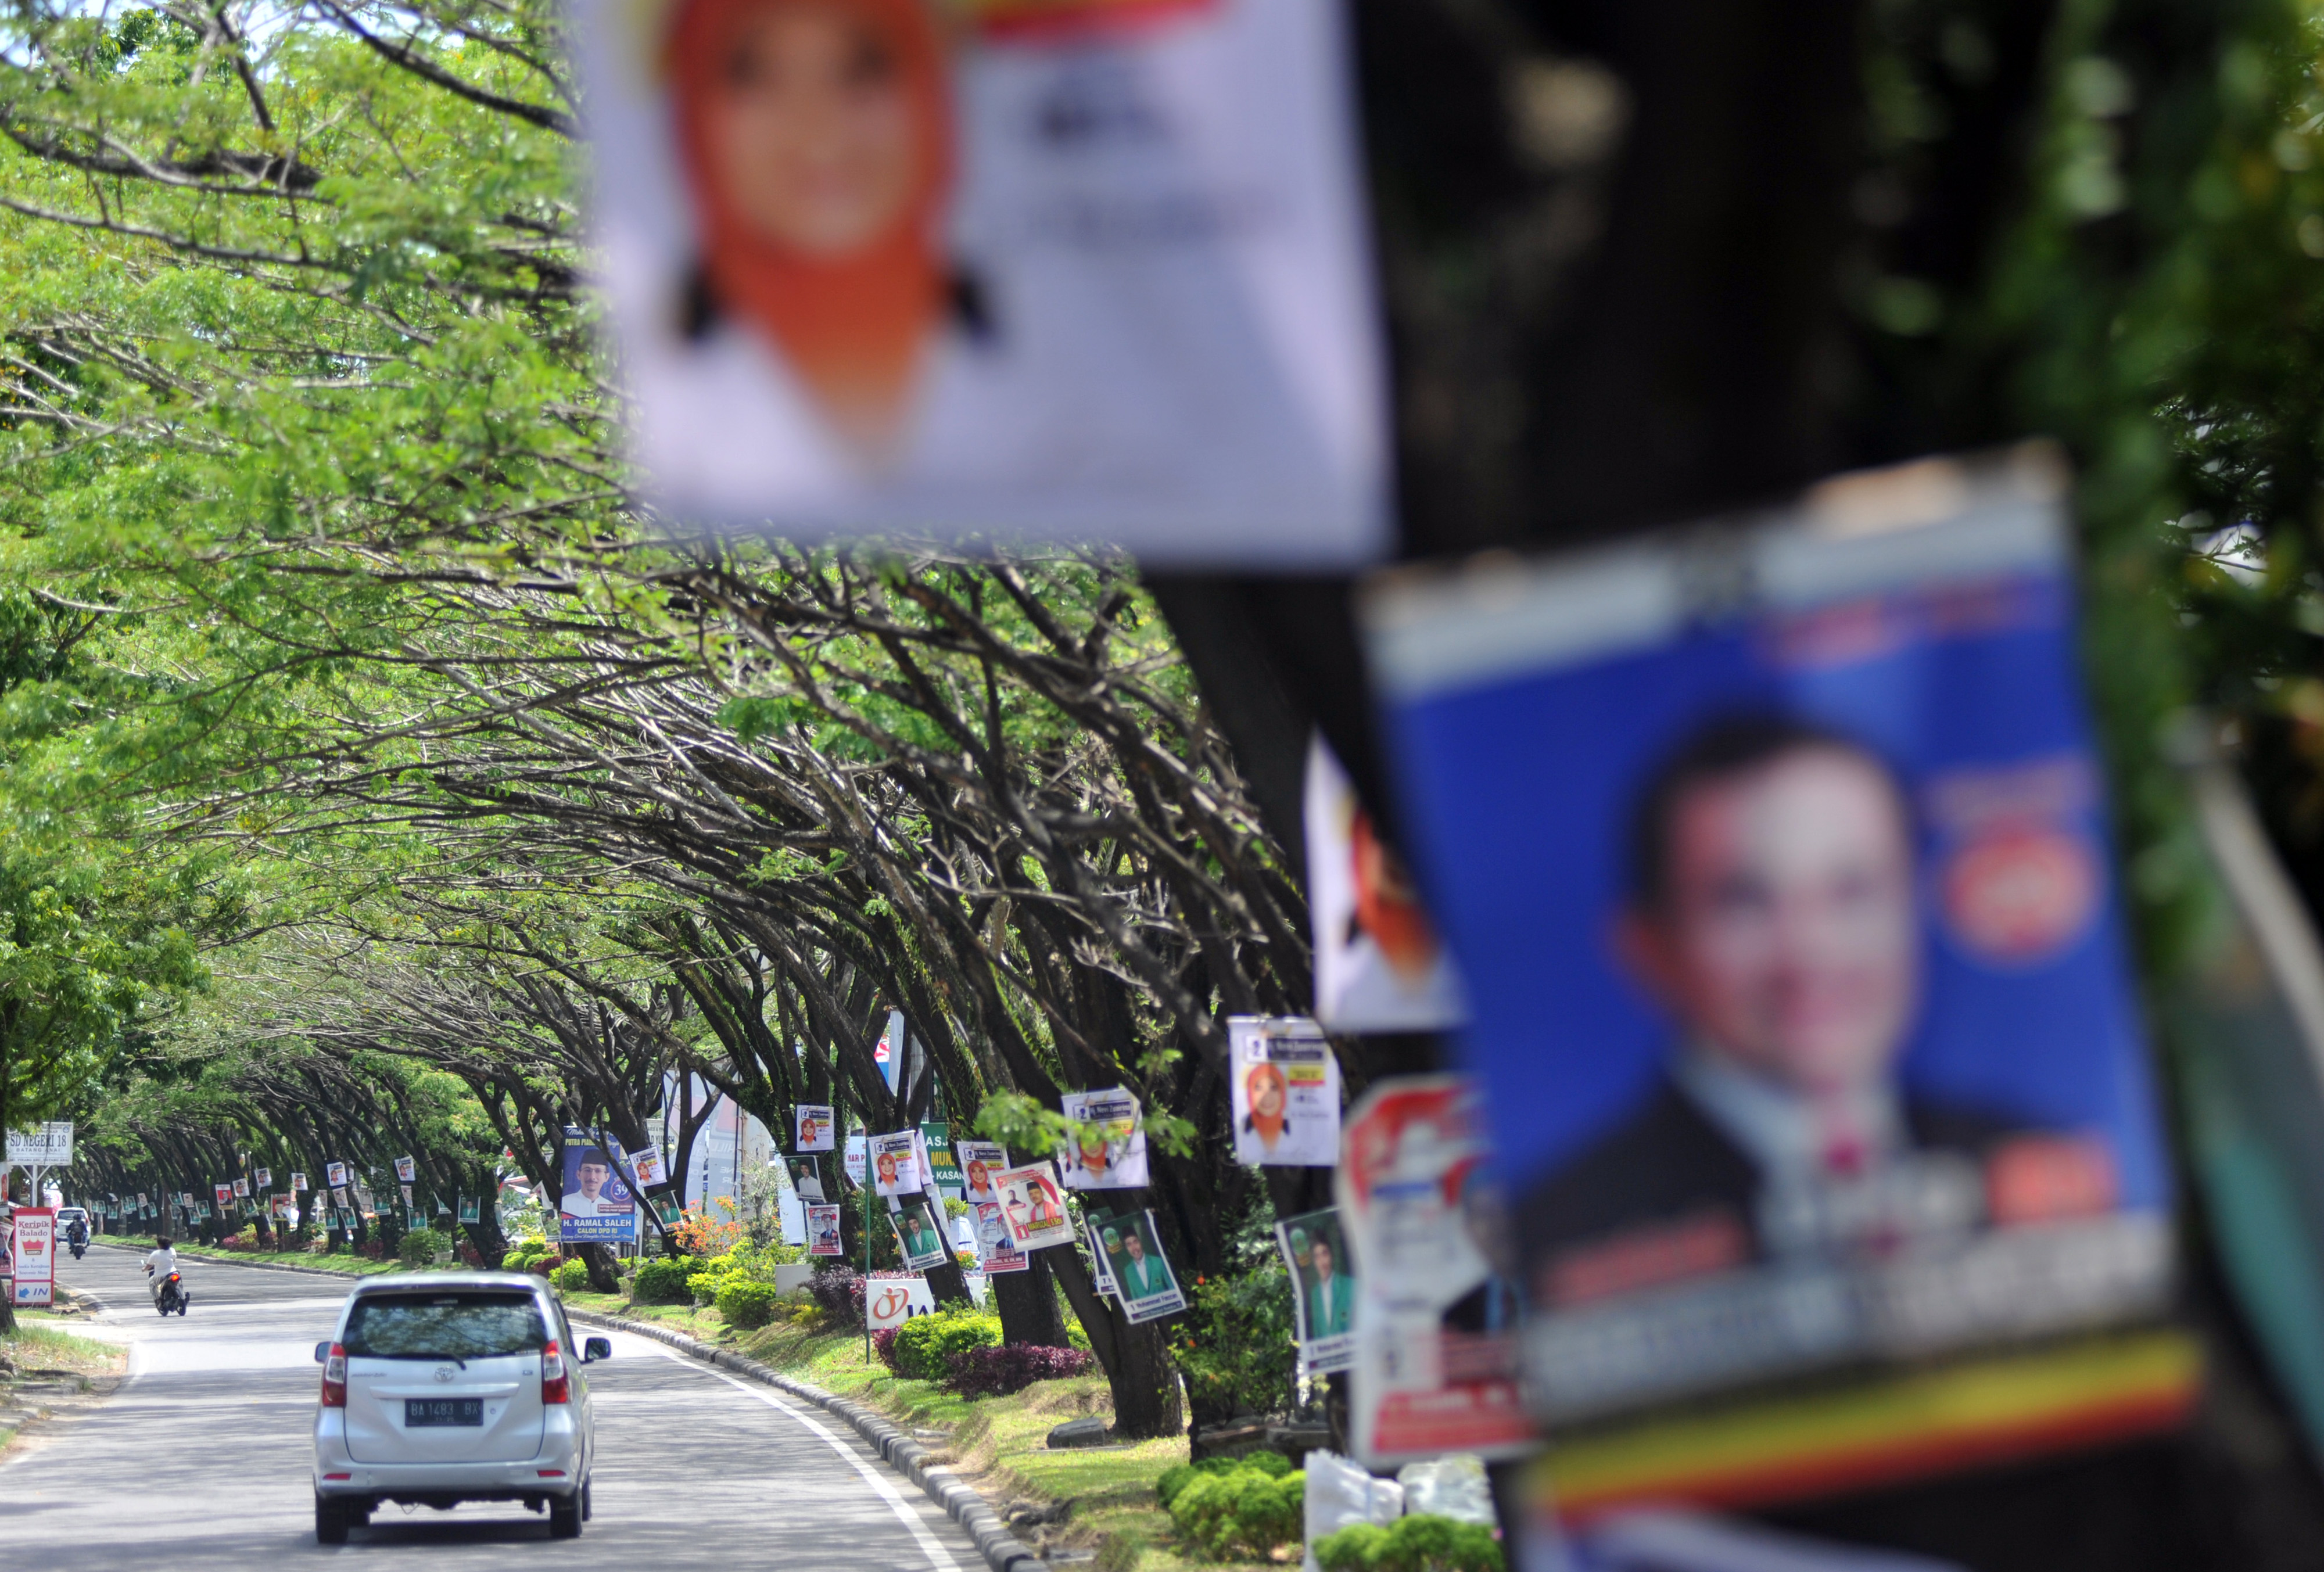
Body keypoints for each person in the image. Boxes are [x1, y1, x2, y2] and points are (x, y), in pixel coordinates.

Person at [1519, 716, 2056, 1304]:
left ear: (1914, 908)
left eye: (1851, 890)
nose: (1809, 954)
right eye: (1742, 903)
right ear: (1649, 948)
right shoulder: (1554, 1246)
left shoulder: (2032, 1161)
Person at [1303, 1234, 1355, 1336]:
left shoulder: (1351, 1285)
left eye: (1325, 1254)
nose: (1322, 1262)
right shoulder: (1314, 1294)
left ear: (1332, 1256)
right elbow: (1317, 1334)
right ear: (1314, 1262)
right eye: (1317, 1257)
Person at [1241, 1062, 1292, 1155]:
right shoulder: (1242, 1130)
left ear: (1283, 1094)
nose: (1267, 1096)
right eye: (1258, 1088)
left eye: (1274, 1088)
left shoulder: (1292, 1128)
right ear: (1250, 1095)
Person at [1114, 1225, 1173, 1301]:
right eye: (1129, 1245)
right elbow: (1135, 1298)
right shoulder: (1128, 1271)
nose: (1134, 1248)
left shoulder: (1158, 1262)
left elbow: (1172, 1288)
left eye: (1135, 1242)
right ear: (1126, 1249)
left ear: (1140, 1242)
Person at [562, 1150, 617, 1217]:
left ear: (606, 1177)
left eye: (598, 1171)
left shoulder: (612, 1209)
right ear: (579, 1174)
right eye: (587, 1170)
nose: (592, 1177)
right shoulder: (566, 1203)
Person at [144, 1235, 180, 1307]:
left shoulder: (155, 1254)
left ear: (159, 1245)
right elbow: (174, 1259)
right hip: (173, 1272)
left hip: (160, 1275)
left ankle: (158, 1300)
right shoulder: (172, 1250)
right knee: (179, 1283)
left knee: (152, 1283)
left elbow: (149, 1265)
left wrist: (144, 1269)